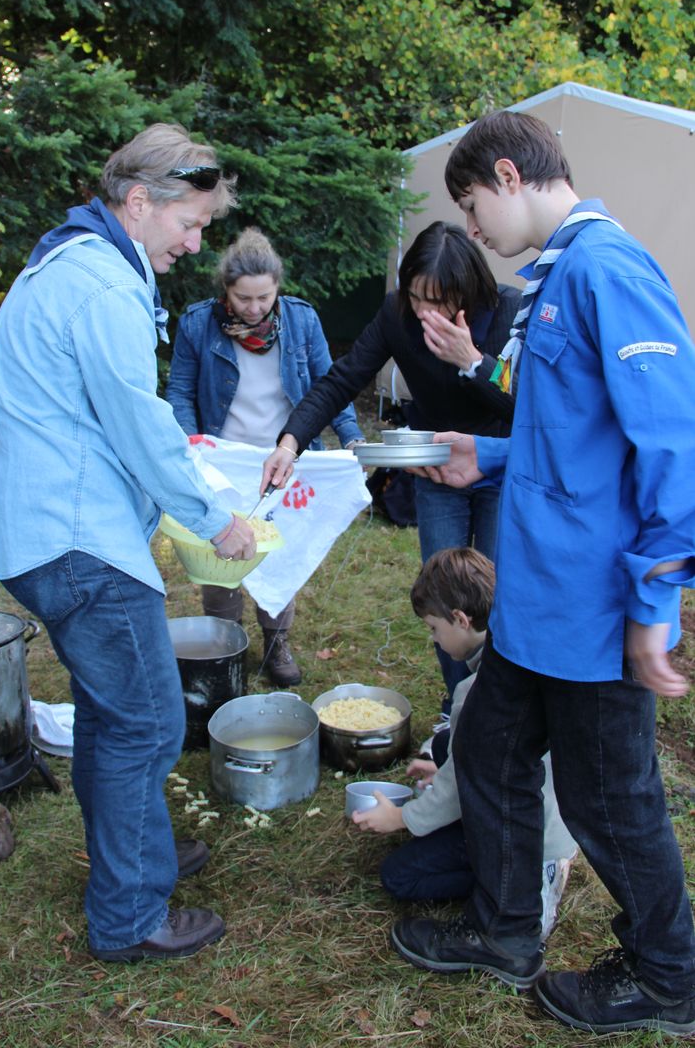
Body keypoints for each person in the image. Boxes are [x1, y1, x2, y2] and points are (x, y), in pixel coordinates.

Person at [391, 110, 695, 1037]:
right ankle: (505, 930)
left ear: (509, 174)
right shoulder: (553, 280)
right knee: (487, 749)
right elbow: (569, 437)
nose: (470, 227)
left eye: (470, 204)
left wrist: (651, 603)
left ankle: (670, 977)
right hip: (531, 604)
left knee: (609, 800)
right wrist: (480, 456)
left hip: (590, 611)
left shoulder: (607, 271)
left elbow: (674, 448)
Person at [0, 123, 258, 964]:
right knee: (147, 723)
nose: (195, 244)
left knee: (111, 714)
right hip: (77, 541)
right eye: (189, 224)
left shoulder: (73, 262)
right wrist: (214, 518)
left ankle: (136, 854)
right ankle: (130, 913)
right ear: (138, 202)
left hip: (49, 533)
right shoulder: (100, 284)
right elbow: (138, 423)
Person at [261, 220, 519, 703]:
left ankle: (496, 707)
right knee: (444, 595)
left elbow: (524, 400)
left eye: (437, 300)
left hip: (499, 469)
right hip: (434, 470)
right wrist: (290, 442)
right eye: (416, 295)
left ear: (467, 290)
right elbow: (343, 379)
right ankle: (456, 704)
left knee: (495, 596)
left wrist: (472, 361)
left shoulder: (508, 310)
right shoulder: (397, 314)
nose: (424, 310)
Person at [165, 226, 363, 686]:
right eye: (243, 298)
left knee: (277, 554)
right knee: (220, 551)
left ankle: (277, 643)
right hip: (223, 464)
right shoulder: (197, 324)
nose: (254, 309)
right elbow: (179, 391)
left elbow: (331, 386)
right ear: (225, 290)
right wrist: (190, 442)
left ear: (277, 289)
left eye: (264, 298)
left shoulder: (302, 321)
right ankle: (225, 643)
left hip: (284, 462)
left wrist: (352, 437)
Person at [352, 548, 576, 939]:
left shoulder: (477, 691)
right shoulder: (524, 648)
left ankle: (525, 885)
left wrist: (403, 818)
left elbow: (458, 786)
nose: (434, 639)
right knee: (444, 745)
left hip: (531, 833)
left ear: (460, 619)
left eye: (434, 628)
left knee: (400, 876)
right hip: (558, 808)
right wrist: (443, 767)